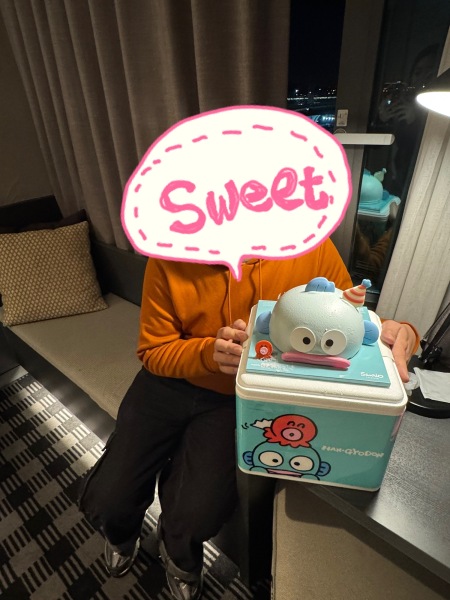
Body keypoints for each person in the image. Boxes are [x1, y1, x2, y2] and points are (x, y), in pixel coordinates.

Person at [78, 237, 419, 600]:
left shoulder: (309, 244)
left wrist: (399, 332)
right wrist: (207, 353)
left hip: (239, 398)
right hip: (167, 383)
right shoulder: (170, 253)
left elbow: (344, 318)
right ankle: (121, 532)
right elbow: (153, 349)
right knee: (110, 497)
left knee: (197, 513)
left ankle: (178, 554)